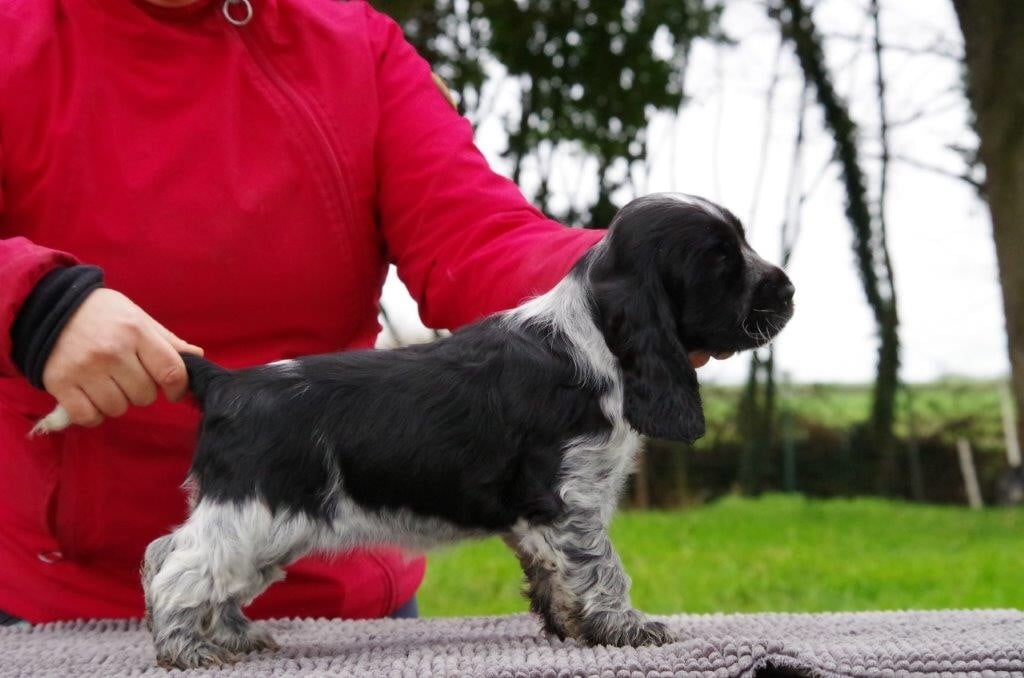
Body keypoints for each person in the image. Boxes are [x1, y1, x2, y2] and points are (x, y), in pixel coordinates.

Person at [0, 0, 727, 625]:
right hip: (56, 600)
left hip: (346, 596)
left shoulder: (355, 44)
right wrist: (33, 304)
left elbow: (476, 236)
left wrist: (625, 286)